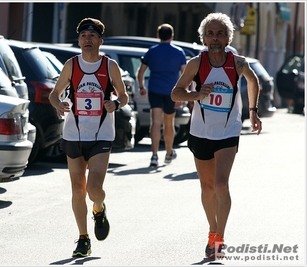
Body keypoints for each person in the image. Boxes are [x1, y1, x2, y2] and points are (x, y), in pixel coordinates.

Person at [171, 13, 262, 259]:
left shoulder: (239, 63)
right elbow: (176, 94)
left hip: (228, 131)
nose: (215, 38)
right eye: (210, 34)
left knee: (221, 184)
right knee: (207, 186)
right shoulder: (196, 64)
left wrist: (253, 112)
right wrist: (196, 95)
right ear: (203, 38)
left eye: (220, 33)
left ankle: (219, 238)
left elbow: (253, 82)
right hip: (200, 132)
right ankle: (211, 230)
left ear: (228, 37)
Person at [48, 17, 129, 258]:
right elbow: (54, 93)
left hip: (101, 133)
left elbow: (123, 96)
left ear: (100, 41)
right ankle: (83, 239)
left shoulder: (109, 66)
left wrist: (115, 103)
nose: (87, 40)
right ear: (79, 40)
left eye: (92, 36)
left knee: (94, 189)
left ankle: (99, 208)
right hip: (73, 132)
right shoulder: (71, 65)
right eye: (83, 36)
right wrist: (58, 104)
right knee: (76, 188)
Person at [136, 23, 187, 167]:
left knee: (156, 122)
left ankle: (154, 156)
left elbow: (141, 72)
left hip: (155, 90)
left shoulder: (152, 51)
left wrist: (141, 87)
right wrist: (183, 93)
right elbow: (185, 74)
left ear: (158, 36)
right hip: (172, 92)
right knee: (169, 122)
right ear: (172, 36)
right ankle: (169, 152)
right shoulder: (179, 52)